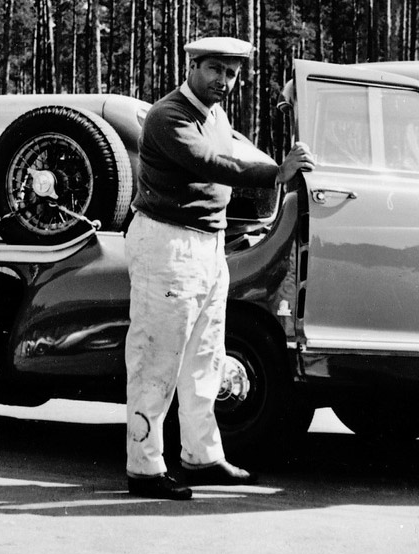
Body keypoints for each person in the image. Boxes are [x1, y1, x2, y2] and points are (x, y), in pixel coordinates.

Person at [124, 36, 315, 501]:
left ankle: (201, 456)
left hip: (208, 245)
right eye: (215, 69)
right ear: (191, 65)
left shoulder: (215, 115)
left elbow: (236, 150)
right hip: (167, 244)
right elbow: (211, 162)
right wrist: (276, 173)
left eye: (231, 73)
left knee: (205, 359)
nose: (223, 81)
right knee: (158, 359)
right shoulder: (168, 116)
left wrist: (283, 155)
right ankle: (144, 467)